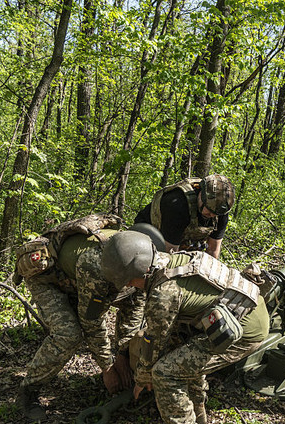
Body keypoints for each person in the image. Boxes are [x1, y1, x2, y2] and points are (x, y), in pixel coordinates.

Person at [100, 230, 270, 424]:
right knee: (184, 360)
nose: (131, 285)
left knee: (165, 373)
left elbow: (153, 343)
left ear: (143, 270)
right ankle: (199, 418)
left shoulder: (162, 294)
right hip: (240, 310)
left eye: (130, 280)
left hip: (243, 330)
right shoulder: (169, 260)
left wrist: (141, 379)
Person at [14, 216, 145, 422]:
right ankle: (28, 392)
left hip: (75, 276)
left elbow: (134, 311)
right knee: (68, 335)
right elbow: (91, 323)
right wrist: (108, 367)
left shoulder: (143, 261)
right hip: (48, 278)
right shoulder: (96, 266)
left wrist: (123, 355)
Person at [134, 174, 235, 259]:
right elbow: (169, 253)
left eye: (216, 214)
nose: (212, 215)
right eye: (209, 210)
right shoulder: (178, 205)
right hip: (148, 234)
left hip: (180, 240)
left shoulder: (220, 211)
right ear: (200, 195)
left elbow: (213, 250)